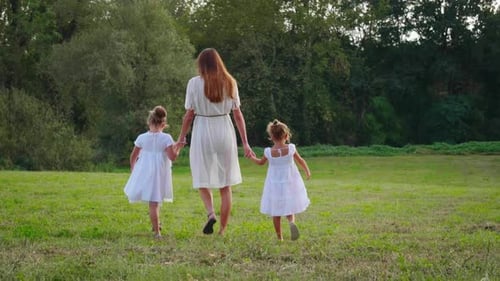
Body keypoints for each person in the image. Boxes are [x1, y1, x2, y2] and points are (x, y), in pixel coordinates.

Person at [177, 48, 254, 235]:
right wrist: (245, 142)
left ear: (201, 64)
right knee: (225, 185)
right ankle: (222, 230)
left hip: (203, 129)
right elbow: (238, 114)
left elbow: (189, 115)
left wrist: (181, 137)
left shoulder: (194, 84)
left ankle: (211, 213)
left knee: (202, 176)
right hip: (224, 129)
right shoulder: (230, 82)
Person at [124, 105, 183, 239]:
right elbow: (172, 157)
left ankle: (156, 224)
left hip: (145, 172)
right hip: (159, 172)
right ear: (163, 123)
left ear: (149, 122)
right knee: (154, 202)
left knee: (153, 200)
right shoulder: (166, 138)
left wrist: (134, 170)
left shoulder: (142, 138)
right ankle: (157, 232)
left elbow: (133, 156)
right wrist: (178, 147)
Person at [249, 119, 311, 241]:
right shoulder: (291, 148)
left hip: (274, 184)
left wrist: (252, 157)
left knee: (275, 212)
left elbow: (260, 163)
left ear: (271, 137)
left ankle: (280, 238)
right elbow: (300, 160)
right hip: (290, 181)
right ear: (287, 136)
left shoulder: (268, 152)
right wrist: (307, 171)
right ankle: (291, 222)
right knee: (289, 206)